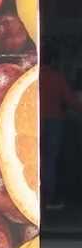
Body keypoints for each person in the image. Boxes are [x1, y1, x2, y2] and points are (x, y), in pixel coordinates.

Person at [40, 47, 82, 210]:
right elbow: (71, 101)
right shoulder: (56, 77)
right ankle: (49, 199)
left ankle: (36, 199)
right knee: (50, 161)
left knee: (36, 160)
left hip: (33, 122)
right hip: (54, 122)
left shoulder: (33, 77)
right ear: (54, 61)